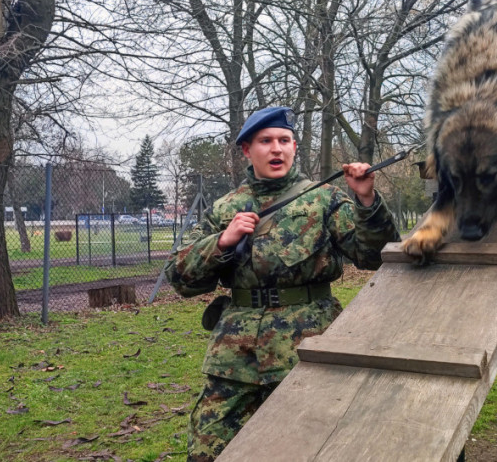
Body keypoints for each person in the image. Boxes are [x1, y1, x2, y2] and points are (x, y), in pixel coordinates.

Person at [164, 106, 401, 462]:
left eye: (284, 140)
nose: (276, 149)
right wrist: (222, 242)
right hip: (234, 356)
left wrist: (366, 200)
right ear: (247, 149)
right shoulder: (225, 208)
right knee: (208, 451)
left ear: (294, 148)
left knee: (311, 445)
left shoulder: (323, 199)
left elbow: (372, 256)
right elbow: (180, 279)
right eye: (266, 141)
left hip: (308, 345)